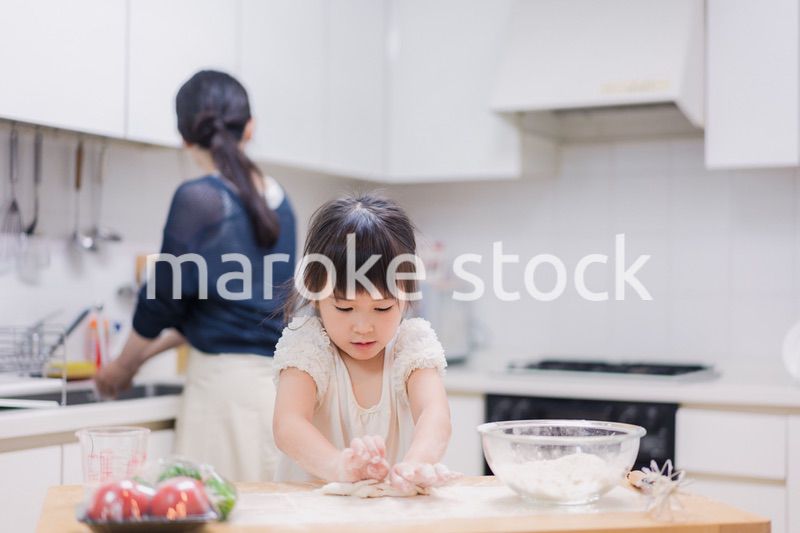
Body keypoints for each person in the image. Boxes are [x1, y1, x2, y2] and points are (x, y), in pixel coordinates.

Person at [94, 70, 296, 482]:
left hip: (224, 397)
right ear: (250, 127)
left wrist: (122, 365)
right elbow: (210, 311)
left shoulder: (199, 199)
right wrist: (140, 360)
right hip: (278, 393)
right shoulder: (281, 203)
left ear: (184, 136)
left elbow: (162, 302)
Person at [272, 193, 455, 491]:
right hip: (311, 514)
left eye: (382, 308)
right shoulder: (307, 344)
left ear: (406, 295)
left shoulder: (410, 345)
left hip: (387, 512)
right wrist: (338, 466)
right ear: (316, 293)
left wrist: (417, 463)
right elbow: (288, 425)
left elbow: (435, 413)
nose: (363, 327)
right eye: (344, 308)